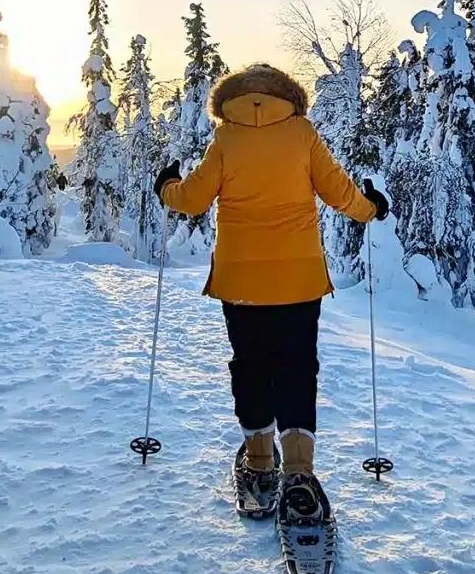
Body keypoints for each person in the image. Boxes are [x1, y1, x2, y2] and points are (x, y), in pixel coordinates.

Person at [155, 61, 388, 522]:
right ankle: (299, 473)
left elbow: (192, 200)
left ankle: (260, 463)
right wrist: (371, 208)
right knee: (298, 366)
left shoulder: (226, 139)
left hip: (241, 281)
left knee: (251, 364)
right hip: (299, 279)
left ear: (233, 99)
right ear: (288, 96)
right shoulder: (302, 134)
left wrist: (166, 186)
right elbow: (340, 193)